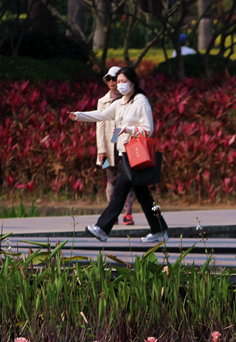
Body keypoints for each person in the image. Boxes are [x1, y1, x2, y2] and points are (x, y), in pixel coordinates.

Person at [69, 67, 168, 243]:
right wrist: (79, 115)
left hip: (137, 155)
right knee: (144, 196)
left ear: (133, 83)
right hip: (126, 154)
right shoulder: (121, 103)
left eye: (123, 81)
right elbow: (101, 115)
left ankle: (102, 228)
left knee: (119, 192)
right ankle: (160, 230)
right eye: (118, 81)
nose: (120, 85)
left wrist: (128, 129)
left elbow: (148, 130)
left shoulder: (140, 101)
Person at [95, 66, 135, 226]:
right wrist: (101, 150)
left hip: (127, 144)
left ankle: (128, 213)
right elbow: (100, 125)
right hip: (108, 147)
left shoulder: (131, 99)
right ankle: (113, 214)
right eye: (109, 79)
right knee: (110, 178)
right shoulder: (102, 101)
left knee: (130, 177)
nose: (111, 82)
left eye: (115, 78)